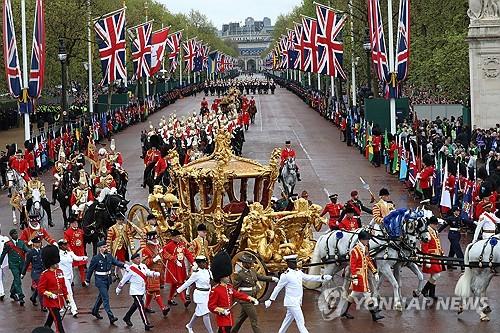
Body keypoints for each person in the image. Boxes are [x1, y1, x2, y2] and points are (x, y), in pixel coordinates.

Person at [265, 254, 332, 333]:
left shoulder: (298, 272)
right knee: (301, 323)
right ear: (288, 264)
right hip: (292, 302)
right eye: (293, 263)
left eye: (295, 262)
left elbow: (309, 277)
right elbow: (277, 288)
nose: (295, 264)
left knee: (287, 321)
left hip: (296, 302)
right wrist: (270, 299)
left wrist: (322, 277)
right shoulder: (285, 275)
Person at [209, 251, 258, 333]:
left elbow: (238, 294)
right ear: (221, 277)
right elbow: (211, 306)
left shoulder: (229, 287)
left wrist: (250, 298)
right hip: (222, 319)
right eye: (226, 276)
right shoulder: (216, 290)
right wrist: (222, 311)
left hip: (229, 318)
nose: (228, 277)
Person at [341, 230, 383, 321]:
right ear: (361, 240)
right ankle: (374, 315)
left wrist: (374, 271)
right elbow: (353, 265)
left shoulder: (364, 248)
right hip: (359, 278)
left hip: (363, 276)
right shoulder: (355, 251)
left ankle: (344, 311)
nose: (368, 241)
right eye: (366, 239)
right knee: (367, 294)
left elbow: (368, 261)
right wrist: (355, 277)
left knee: (353, 294)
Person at [231, 253, 278, 333]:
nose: (251, 264)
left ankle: (233, 331)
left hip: (253, 296)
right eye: (249, 263)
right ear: (244, 264)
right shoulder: (240, 274)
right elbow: (235, 287)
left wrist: (272, 278)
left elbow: (261, 277)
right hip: (245, 299)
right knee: (254, 319)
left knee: (242, 317)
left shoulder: (252, 271)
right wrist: (234, 298)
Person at [85, 240, 127, 324]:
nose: (106, 248)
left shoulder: (109, 256)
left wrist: (124, 265)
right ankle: (111, 317)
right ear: (100, 248)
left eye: (106, 246)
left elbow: (116, 262)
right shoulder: (96, 258)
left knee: (101, 297)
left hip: (107, 279)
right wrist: (87, 280)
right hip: (100, 280)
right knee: (105, 298)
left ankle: (95, 311)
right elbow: (90, 270)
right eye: (104, 247)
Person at [116, 252, 159, 331]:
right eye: (137, 259)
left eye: (139, 258)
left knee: (135, 305)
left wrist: (154, 273)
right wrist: (118, 289)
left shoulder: (143, 266)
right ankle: (146, 323)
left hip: (142, 290)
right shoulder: (130, 269)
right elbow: (124, 279)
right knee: (141, 306)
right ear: (133, 260)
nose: (139, 260)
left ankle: (127, 317)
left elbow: (147, 272)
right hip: (135, 291)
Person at [176, 255, 214, 333]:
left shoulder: (208, 271)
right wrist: (178, 291)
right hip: (199, 295)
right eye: (202, 263)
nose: (204, 264)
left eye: (205, 262)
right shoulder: (196, 273)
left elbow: (209, 284)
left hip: (207, 294)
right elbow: (187, 283)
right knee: (206, 313)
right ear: (198, 264)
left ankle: (189, 325)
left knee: (198, 312)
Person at [38, 245, 69, 333]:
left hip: (59, 300)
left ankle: (44, 330)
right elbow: (41, 289)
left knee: (50, 320)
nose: (57, 264)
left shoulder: (60, 272)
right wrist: (50, 294)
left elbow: (63, 287)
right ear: (50, 263)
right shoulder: (45, 274)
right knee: (58, 321)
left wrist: (67, 299)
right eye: (55, 263)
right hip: (50, 302)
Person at [162, 229, 194, 306]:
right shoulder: (169, 245)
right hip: (173, 266)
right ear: (172, 238)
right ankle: (184, 301)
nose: (178, 238)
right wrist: (173, 259)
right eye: (176, 237)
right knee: (178, 283)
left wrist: (193, 262)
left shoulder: (182, 244)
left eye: (178, 236)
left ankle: (170, 299)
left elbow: (187, 254)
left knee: (175, 284)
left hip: (181, 266)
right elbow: (164, 253)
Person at [142, 231, 170, 316]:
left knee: (151, 291)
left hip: (159, 272)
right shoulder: (145, 250)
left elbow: (165, 254)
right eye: (153, 239)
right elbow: (145, 262)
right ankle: (163, 308)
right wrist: (153, 259)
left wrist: (174, 260)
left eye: (155, 238)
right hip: (152, 272)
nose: (155, 240)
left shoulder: (158, 247)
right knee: (156, 290)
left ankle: (146, 306)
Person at [57, 239, 87, 317]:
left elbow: (76, 258)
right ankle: (74, 309)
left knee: (64, 292)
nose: (66, 246)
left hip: (70, 275)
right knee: (69, 292)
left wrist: (83, 258)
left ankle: (63, 305)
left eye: (67, 244)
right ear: (60, 246)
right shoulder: (58, 254)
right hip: (63, 276)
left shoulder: (70, 253)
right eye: (64, 244)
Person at [0, 229, 29, 305]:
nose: (16, 235)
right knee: (17, 279)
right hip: (13, 265)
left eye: (16, 233)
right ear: (11, 235)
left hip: (21, 264)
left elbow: (27, 250)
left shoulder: (21, 243)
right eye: (14, 234)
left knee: (17, 279)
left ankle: (12, 293)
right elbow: (3, 254)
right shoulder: (8, 244)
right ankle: (21, 296)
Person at [106, 212, 136, 278]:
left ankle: (116, 273)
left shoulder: (126, 227)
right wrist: (108, 249)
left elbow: (129, 236)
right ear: (116, 220)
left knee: (119, 261)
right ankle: (125, 276)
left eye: (122, 220)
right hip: (116, 247)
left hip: (124, 246)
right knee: (122, 261)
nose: (121, 221)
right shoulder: (112, 228)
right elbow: (109, 240)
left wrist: (132, 244)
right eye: (120, 220)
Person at [420, 217, 444, 300]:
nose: (436, 226)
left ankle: (432, 293)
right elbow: (424, 246)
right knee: (437, 275)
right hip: (430, 256)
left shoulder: (434, 231)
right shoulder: (427, 232)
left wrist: (441, 252)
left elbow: (437, 243)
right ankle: (425, 290)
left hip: (436, 255)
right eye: (435, 224)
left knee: (434, 275)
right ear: (432, 224)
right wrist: (426, 258)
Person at [21, 236, 45, 309]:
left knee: (40, 287)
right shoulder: (30, 252)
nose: (38, 244)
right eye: (37, 243)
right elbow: (26, 263)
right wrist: (23, 273)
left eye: (39, 243)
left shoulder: (42, 250)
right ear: (33, 244)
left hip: (42, 271)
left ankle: (33, 297)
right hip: (36, 272)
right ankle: (43, 306)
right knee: (41, 288)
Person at [63, 218, 87, 285]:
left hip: (80, 251)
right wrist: (69, 251)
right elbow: (66, 243)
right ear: (71, 224)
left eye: (76, 223)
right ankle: (71, 280)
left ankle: (83, 280)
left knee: (81, 266)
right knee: (71, 267)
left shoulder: (81, 231)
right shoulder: (67, 232)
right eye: (74, 223)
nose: (76, 224)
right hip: (72, 252)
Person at [0, 227, 9, 300]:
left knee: (1, 277)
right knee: (1, 277)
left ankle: (1, 292)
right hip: (5, 262)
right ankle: (1, 291)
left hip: (2, 261)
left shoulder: (5, 239)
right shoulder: (6, 239)